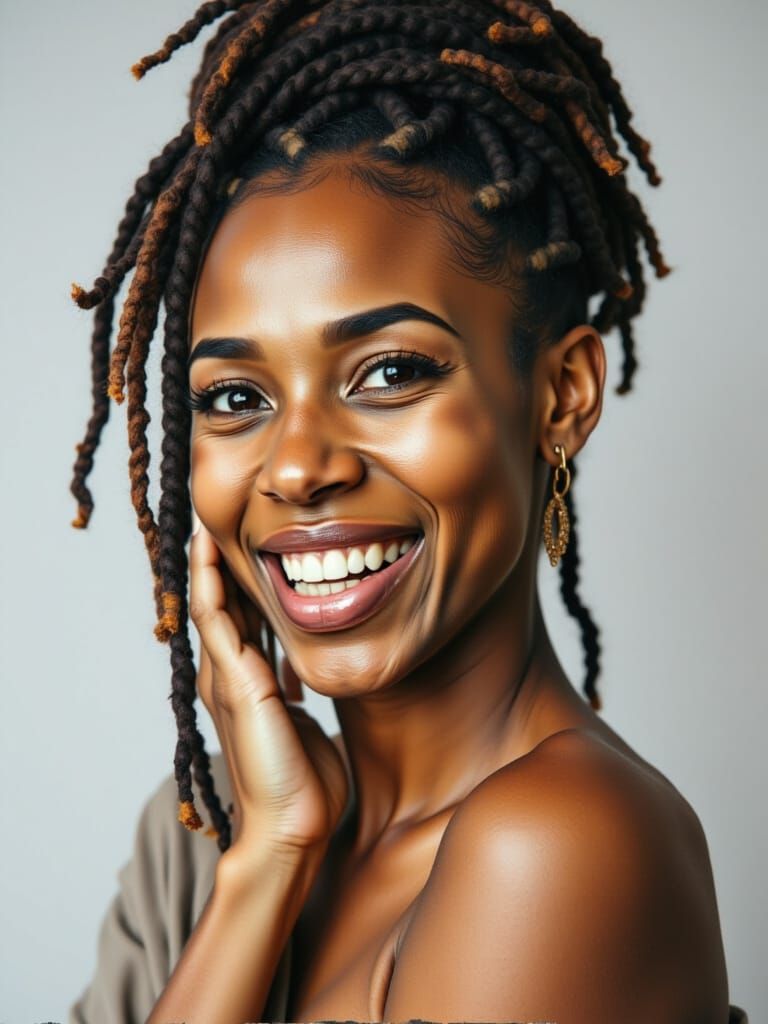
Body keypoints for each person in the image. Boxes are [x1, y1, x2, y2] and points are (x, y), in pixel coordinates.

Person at [67, 1, 748, 1022]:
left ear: (561, 396)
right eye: (236, 398)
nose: (296, 468)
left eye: (389, 371)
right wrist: (269, 861)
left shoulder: (562, 840)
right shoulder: (200, 836)